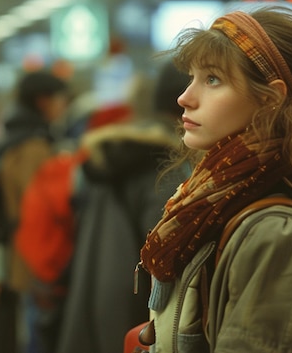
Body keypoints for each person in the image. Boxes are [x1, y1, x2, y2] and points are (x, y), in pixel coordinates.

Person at [138, 4, 292, 352]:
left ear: (271, 100)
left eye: (212, 80)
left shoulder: (276, 236)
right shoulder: (211, 198)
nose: (185, 97)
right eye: (192, 77)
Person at [51, 61, 190, 353]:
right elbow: (168, 261)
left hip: (92, 304)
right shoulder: (166, 167)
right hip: (133, 318)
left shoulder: (116, 153)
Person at [0, 70, 69, 353]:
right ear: (42, 101)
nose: (62, 106)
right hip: (38, 250)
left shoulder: (17, 135)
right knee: (38, 324)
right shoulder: (35, 146)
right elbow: (40, 203)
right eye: (58, 99)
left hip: (24, 245)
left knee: (33, 319)